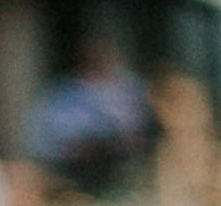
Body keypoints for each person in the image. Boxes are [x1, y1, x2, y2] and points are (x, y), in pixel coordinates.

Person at [24, 42, 152, 193]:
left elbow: (143, 125)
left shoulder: (129, 85)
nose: (98, 59)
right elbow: (44, 139)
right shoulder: (64, 94)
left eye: (103, 54)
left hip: (126, 163)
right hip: (79, 169)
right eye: (91, 56)